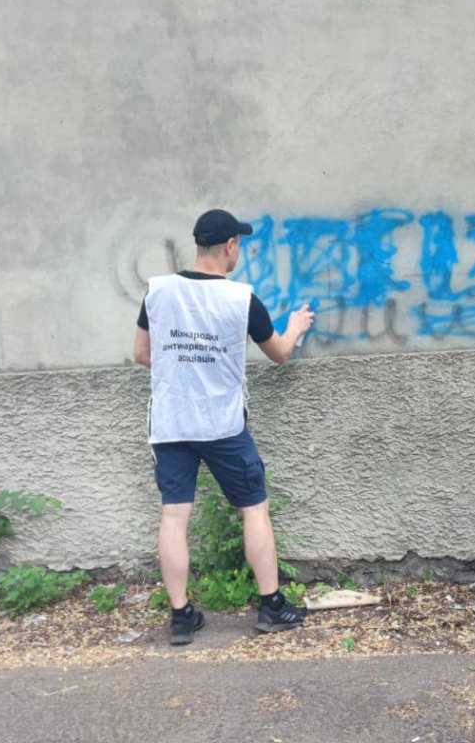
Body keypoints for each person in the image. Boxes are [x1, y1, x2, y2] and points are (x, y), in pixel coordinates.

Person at [132, 208, 315, 645]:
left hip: (172, 422)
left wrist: (182, 372)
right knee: (253, 508)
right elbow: (279, 353)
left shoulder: (158, 291)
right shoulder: (241, 299)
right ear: (230, 246)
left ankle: (181, 617)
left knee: (174, 515)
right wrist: (294, 327)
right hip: (222, 424)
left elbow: (142, 354)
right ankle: (271, 606)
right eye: (239, 245)